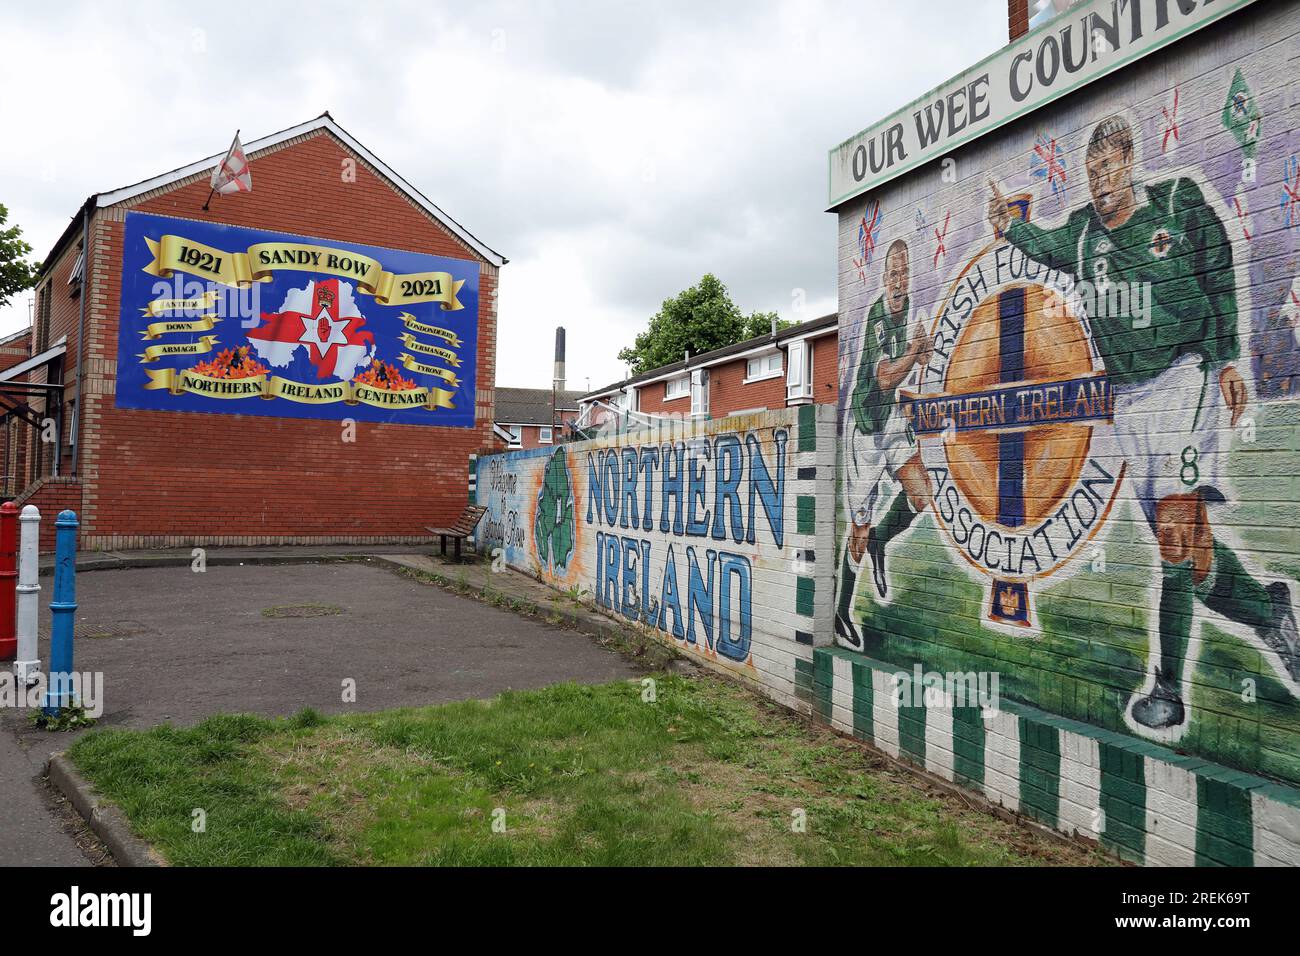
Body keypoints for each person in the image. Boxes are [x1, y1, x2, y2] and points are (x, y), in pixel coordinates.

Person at [988, 114, 1299, 730]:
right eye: (1091, 168)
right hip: (1128, 402)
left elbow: (1217, 266)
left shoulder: (1178, 202)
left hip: (1186, 379)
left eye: (1109, 165)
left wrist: (1228, 356)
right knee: (1197, 559)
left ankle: (1167, 691)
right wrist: (1012, 226)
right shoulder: (1082, 233)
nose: (1100, 177)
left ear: (1130, 161)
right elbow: (1046, 243)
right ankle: (1271, 613)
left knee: (1178, 534)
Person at [836, 238, 933, 649]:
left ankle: (881, 539)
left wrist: (922, 352)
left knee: (922, 494)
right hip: (865, 429)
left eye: (904, 272)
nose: (898, 280)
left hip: (891, 419)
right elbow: (885, 378)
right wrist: (914, 353)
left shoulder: (914, 310)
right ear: (883, 277)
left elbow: (918, 362)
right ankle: (841, 612)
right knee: (857, 526)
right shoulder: (877, 315)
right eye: (892, 273)